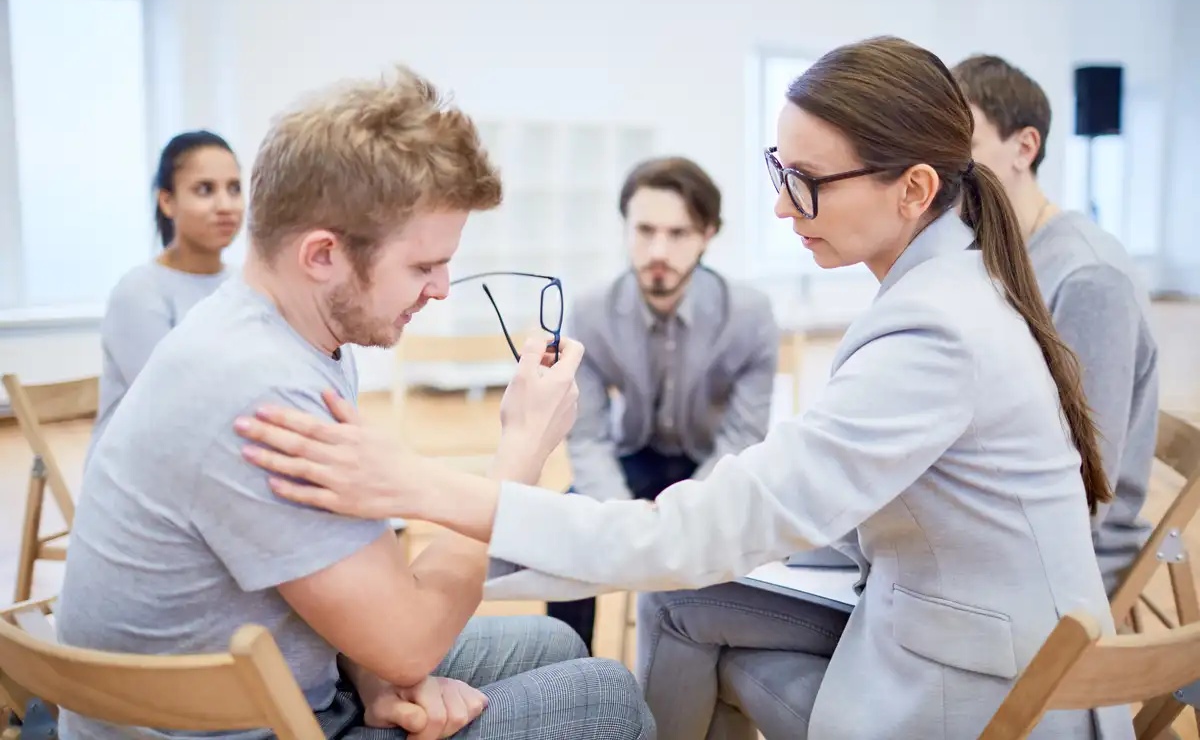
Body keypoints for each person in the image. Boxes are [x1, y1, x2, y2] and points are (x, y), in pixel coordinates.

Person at [235, 37, 1139, 740]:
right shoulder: (943, 291)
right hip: (922, 608)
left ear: (914, 189)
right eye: (776, 173)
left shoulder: (935, 329)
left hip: (981, 680)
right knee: (675, 597)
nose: (782, 207)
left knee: (652, 611)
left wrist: (425, 487)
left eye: (806, 183)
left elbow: (709, 519)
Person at [55, 67, 654, 740]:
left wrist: (374, 675)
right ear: (322, 255)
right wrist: (521, 449)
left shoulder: (290, 333)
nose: (441, 290)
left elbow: (354, 577)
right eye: (423, 267)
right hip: (244, 721)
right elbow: (411, 641)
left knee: (553, 644)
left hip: (286, 675)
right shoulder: (262, 389)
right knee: (606, 695)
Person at [547, 156, 779, 652]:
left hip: (714, 463)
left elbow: (742, 437)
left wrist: (682, 518)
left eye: (678, 233)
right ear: (625, 229)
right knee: (565, 529)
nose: (658, 250)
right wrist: (619, 516)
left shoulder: (750, 316)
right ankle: (566, 674)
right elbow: (587, 436)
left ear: (708, 234)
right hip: (634, 457)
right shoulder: (588, 313)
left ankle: (719, 662)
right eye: (645, 230)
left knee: (746, 532)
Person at [952, 53, 1160, 596]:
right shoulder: (996, 253)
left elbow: (1086, 486)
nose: (943, 169)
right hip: (1001, 527)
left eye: (963, 149)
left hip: (1061, 565)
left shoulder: (1089, 277)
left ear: (1025, 147)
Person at [91, 130, 245, 445]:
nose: (225, 205)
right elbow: (172, 408)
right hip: (141, 472)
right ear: (167, 201)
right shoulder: (138, 292)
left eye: (234, 188)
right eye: (205, 190)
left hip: (217, 453)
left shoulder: (245, 286)